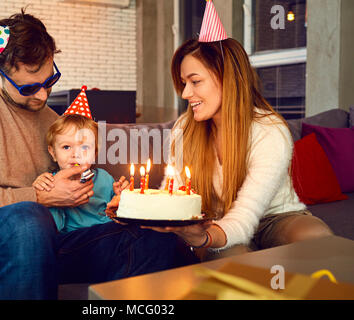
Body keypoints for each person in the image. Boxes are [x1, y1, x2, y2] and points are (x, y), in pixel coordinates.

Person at [0, 10, 192, 300]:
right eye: (28, 87)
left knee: (153, 240)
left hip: (50, 243)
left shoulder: (53, 121)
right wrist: (40, 197)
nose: (42, 95)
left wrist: (116, 206)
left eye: (49, 81)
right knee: (27, 221)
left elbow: (79, 196)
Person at [107, 2, 333, 261]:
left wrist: (204, 237)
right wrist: (134, 207)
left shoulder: (269, 130)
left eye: (195, 81)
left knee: (317, 238)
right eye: (183, 83)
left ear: (228, 77)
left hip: (274, 218)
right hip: (213, 222)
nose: (185, 93)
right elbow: (176, 199)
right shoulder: (184, 130)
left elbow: (246, 214)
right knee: (235, 257)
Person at [32, 103, 127, 233]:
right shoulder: (52, 182)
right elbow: (54, 228)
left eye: (84, 147)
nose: (75, 154)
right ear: (53, 153)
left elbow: (120, 216)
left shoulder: (105, 178)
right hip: (75, 239)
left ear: (95, 154)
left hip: (110, 233)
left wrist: (122, 197)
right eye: (66, 147)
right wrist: (48, 196)